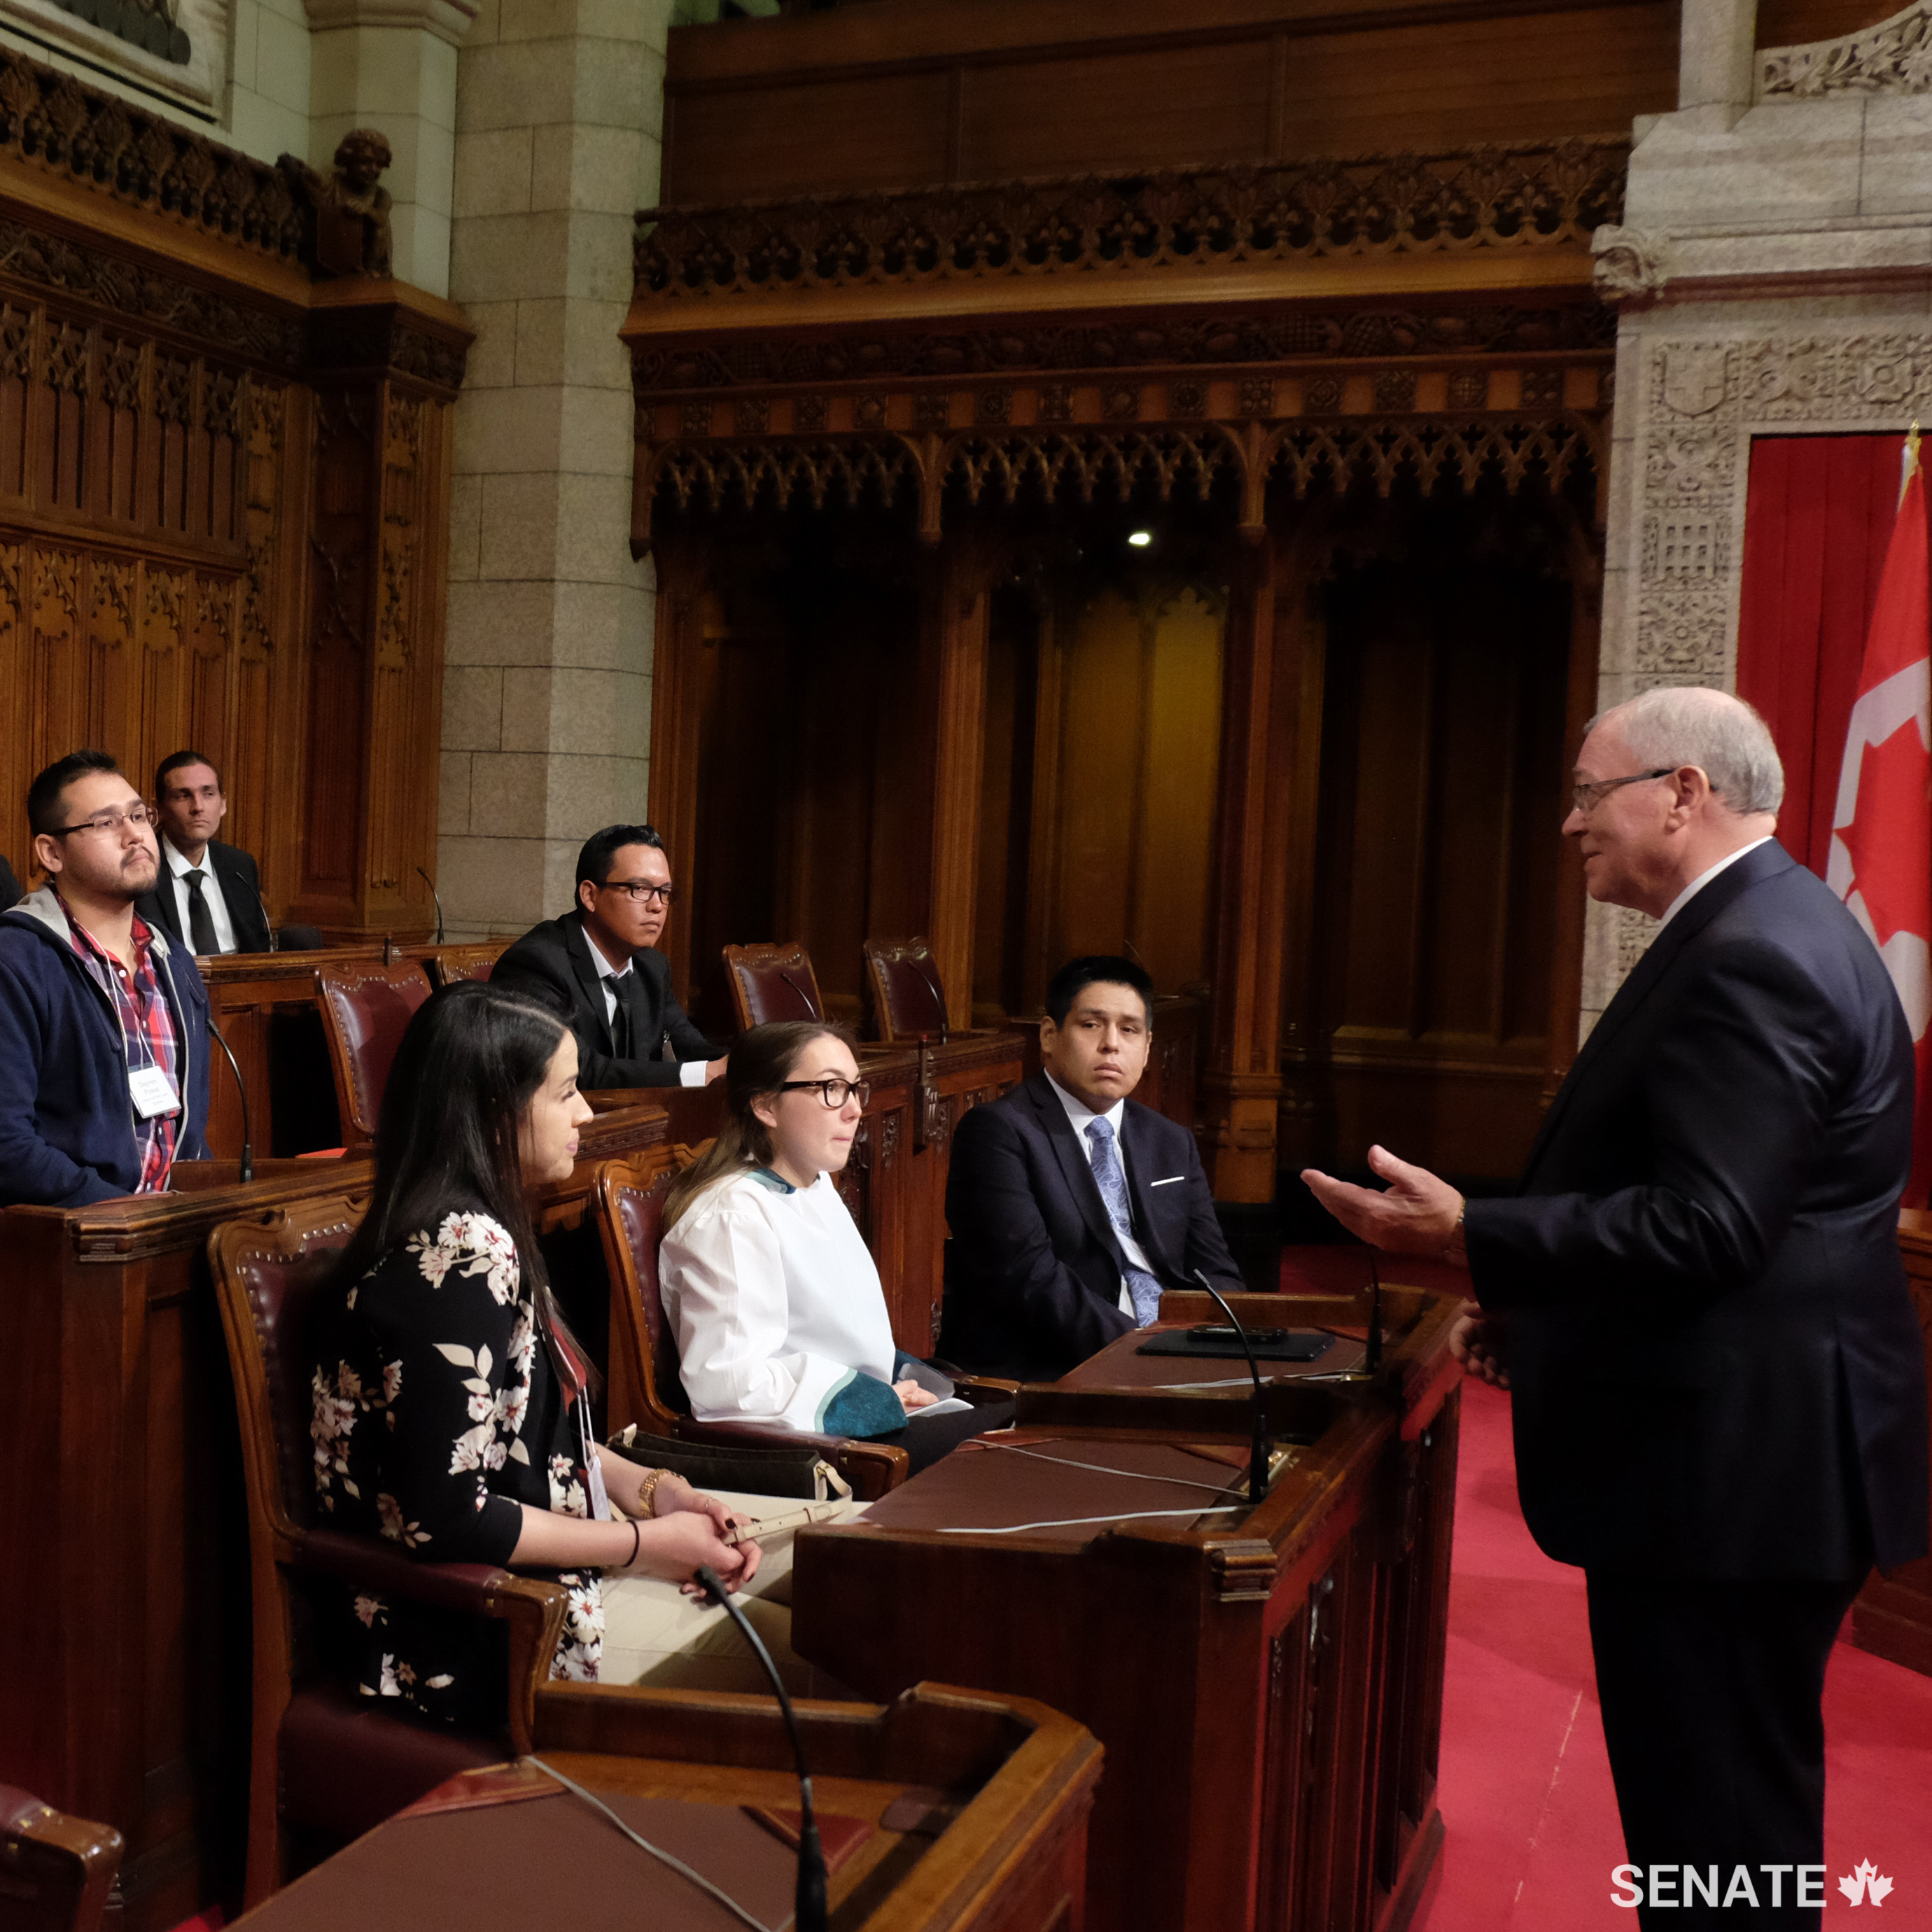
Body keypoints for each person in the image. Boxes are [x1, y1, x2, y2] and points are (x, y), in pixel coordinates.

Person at [1302, 687, 1929, 1931]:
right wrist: (1544, 1316)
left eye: (1592, 794)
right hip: (1752, 1456)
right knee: (1728, 1822)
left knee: (1722, 1832)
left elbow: (1710, 1225)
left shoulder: (1752, 953)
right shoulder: (1769, 921)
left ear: (1683, 794)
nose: (1570, 825)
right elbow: (1741, 1223)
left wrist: (1468, 1232)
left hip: (1732, 1482)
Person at [309, 979, 769, 1728]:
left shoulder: (484, 1227)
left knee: (795, 1592)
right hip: (470, 1634)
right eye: (565, 1094)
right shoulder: (457, 1258)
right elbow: (448, 1519)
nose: (586, 1113)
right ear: (496, 1113)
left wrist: (658, 1493)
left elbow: (521, 1435)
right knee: (799, 1651)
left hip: (537, 1589)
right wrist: (646, 1544)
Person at [660, 1021, 1011, 1473]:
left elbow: (836, 1336)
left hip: (864, 1426)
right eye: (830, 1088)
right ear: (765, 1105)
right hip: (817, 1451)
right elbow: (728, 1386)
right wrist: (876, 1402)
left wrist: (900, 1381)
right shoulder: (733, 1215)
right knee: (1006, 1452)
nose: (853, 1111)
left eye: (854, 1089)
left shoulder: (815, 1184)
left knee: (1022, 1433)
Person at [939, 955, 1245, 1381]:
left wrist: (1232, 1345)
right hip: (1053, 1368)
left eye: (1129, 1029)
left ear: (1148, 1046)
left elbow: (1214, 1269)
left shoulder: (1170, 1139)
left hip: (1173, 1355)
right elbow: (1029, 1280)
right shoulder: (1000, 1131)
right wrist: (1147, 1353)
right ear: (1049, 1035)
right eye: (1091, 1025)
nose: (1111, 1044)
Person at [0, 750, 210, 1208]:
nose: (135, 834)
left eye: (138, 815)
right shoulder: (15, 961)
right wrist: (124, 1217)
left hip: (168, 1233)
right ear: (51, 852)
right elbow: (7, 1146)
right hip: (65, 1244)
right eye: (106, 823)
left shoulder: (173, 961)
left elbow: (186, 1136)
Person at [493, 824, 724, 1091]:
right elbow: (578, 1071)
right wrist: (704, 1073)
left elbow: (691, 1048)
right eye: (640, 888)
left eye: (665, 892)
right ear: (590, 895)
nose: (657, 906)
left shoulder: (652, 966)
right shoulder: (535, 963)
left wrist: (753, 1061)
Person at [134, 750, 272, 955]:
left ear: (223, 804)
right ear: (158, 809)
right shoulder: (140, 866)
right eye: (183, 795)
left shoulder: (240, 866)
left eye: (208, 794)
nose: (198, 807)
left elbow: (258, 948)